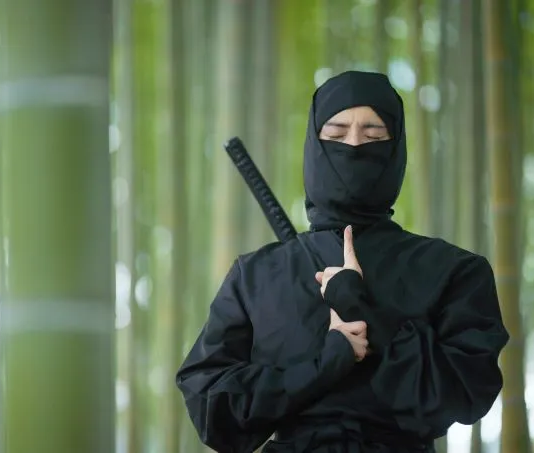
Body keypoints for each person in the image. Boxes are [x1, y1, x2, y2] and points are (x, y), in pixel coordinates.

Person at [175, 70, 509, 453]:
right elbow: (211, 410)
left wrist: (365, 313)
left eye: (373, 136)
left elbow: (464, 394)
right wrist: (323, 366)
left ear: (396, 149)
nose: (353, 146)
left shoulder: (452, 270)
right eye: (335, 135)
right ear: (314, 147)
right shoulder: (256, 275)